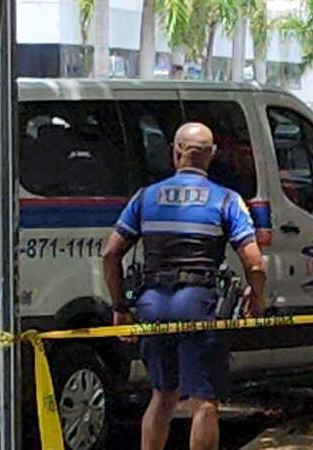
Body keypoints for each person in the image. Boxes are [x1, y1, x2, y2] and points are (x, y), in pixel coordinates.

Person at [102, 122, 267, 450]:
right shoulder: (227, 200)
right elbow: (255, 263)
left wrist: (120, 307)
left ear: (176, 152)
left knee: (162, 395)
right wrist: (257, 298)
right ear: (213, 156)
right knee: (203, 401)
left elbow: (110, 253)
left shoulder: (146, 197)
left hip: (152, 304)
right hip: (199, 304)